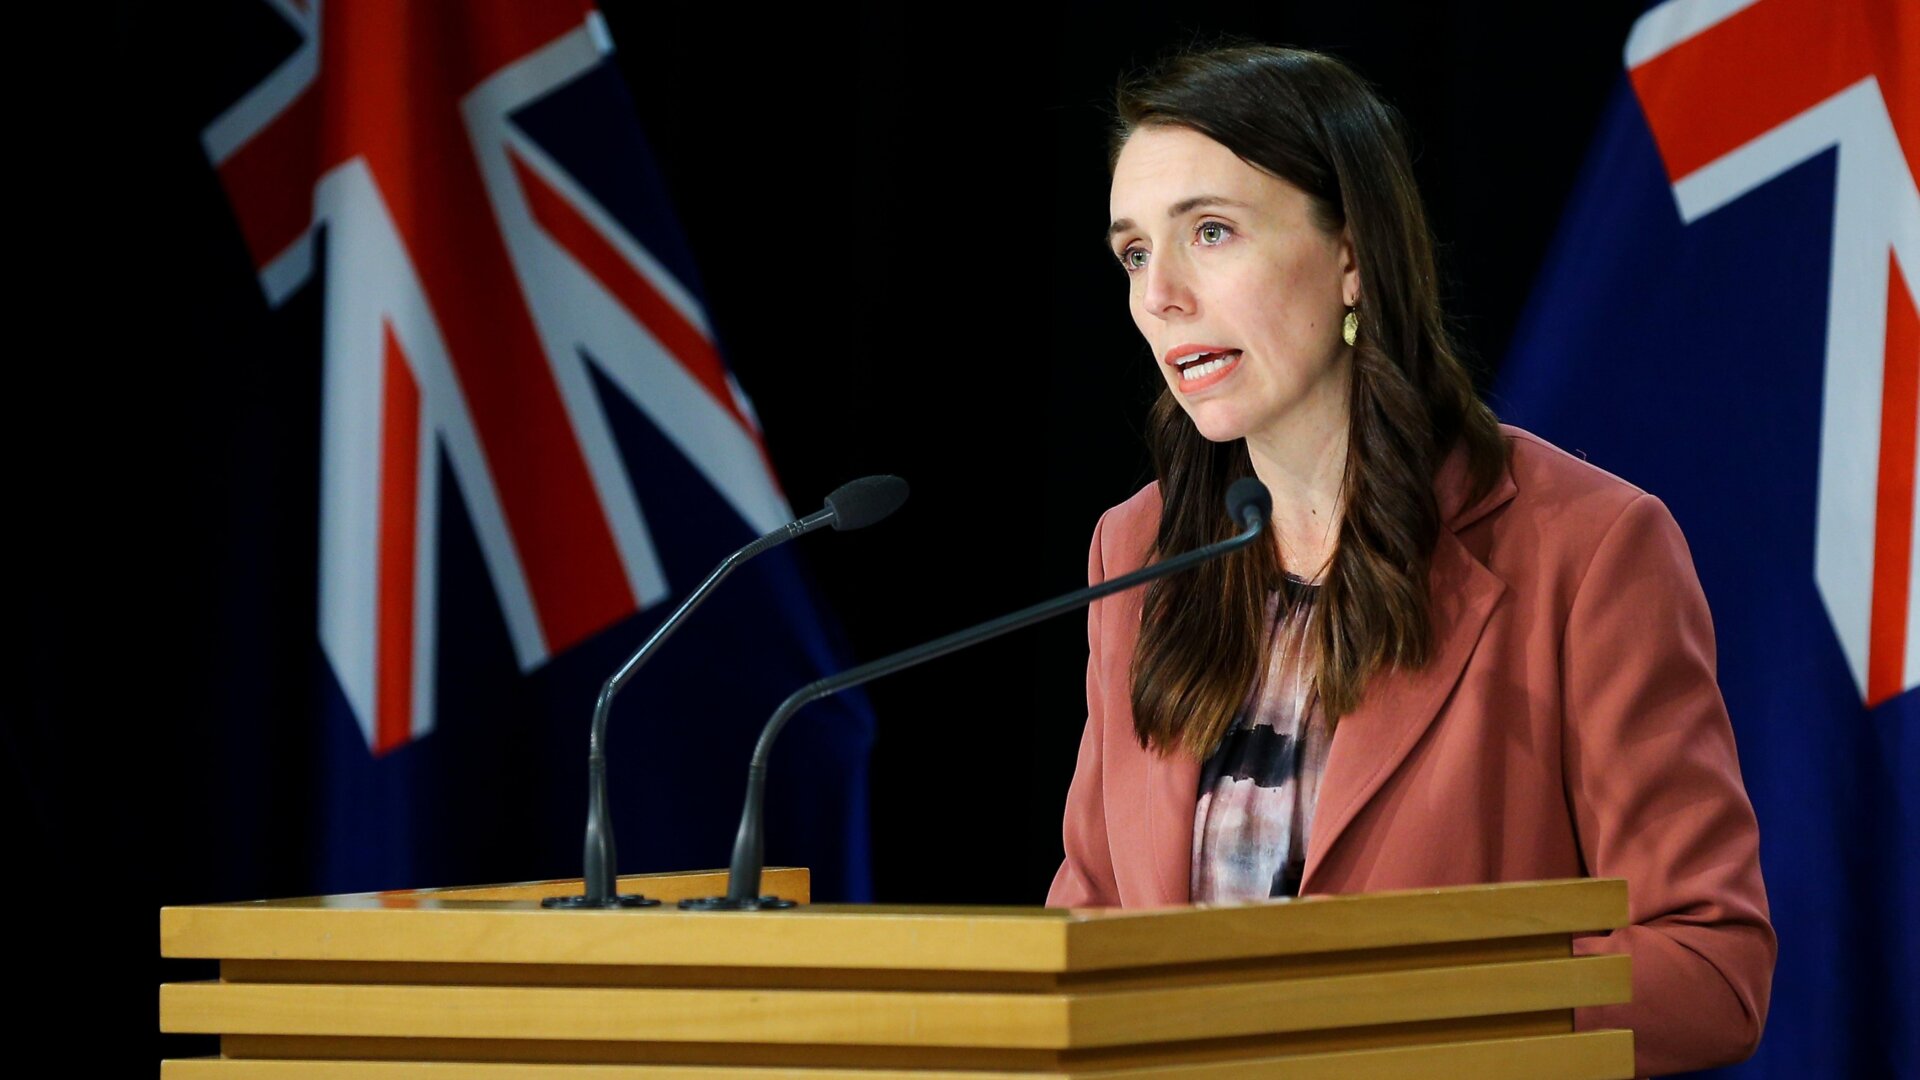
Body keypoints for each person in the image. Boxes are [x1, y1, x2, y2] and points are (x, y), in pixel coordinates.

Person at [1045, 43, 1775, 1077]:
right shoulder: (1141, 553)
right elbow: (1090, 919)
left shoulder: (1586, 548)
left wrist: (1401, 1017)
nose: (1159, 295)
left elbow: (1710, 967)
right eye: (1133, 253)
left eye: (1210, 233)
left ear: (1352, 255)